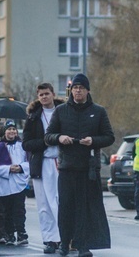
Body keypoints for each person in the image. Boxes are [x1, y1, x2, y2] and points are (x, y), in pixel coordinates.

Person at [44, 73, 114, 257]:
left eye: (81, 88)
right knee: (65, 207)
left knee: (85, 208)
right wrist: (60, 137)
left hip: (88, 168)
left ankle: (83, 245)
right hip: (67, 167)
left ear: (87, 90)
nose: (78, 91)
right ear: (71, 90)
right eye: (75, 88)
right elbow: (48, 136)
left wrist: (93, 140)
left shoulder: (98, 111)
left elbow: (109, 137)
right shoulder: (61, 111)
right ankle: (64, 244)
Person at [22, 82, 64, 254]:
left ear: (53, 94)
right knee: (44, 203)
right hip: (42, 162)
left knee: (60, 201)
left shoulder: (63, 112)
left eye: (47, 93)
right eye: (41, 95)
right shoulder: (33, 117)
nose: (44, 97)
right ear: (38, 97)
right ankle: (50, 239)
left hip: (62, 162)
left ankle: (65, 237)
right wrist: (45, 142)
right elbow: (26, 143)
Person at [0, 120, 29, 247]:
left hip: (19, 183)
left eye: (14, 129)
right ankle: (9, 234)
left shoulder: (22, 146)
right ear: (5, 132)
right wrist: (8, 169)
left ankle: (21, 233)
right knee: (7, 211)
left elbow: (29, 162)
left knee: (19, 210)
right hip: (5, 183)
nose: (12, 131)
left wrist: (20, 167)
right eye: (9, 129)